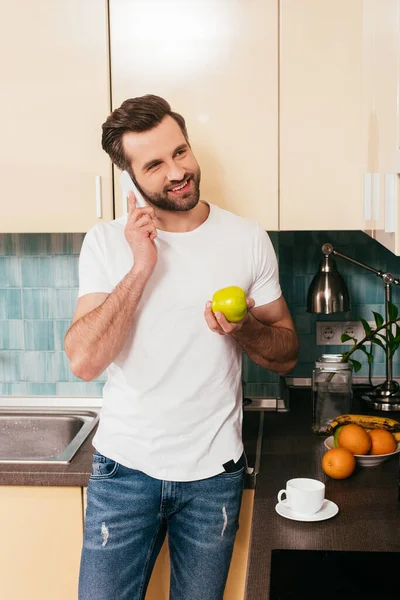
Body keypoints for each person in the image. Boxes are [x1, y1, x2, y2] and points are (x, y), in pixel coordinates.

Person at [65, 94, 298, 600]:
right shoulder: (107, 243)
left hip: (214, 476)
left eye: (181, 152)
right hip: (124, 472)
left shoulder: (246, 238)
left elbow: (287, 352)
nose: (178, 171)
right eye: (154, 164)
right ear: (130, 177)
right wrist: (142, 266)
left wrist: (243, 329)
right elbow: (84, 360)